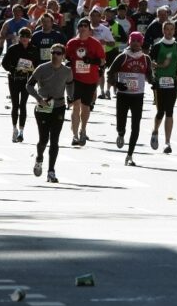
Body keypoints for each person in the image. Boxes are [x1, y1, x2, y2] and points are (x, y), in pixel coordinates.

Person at [27, 43, 74, 183]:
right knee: (43, 139)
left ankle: (51, 171)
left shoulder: (67, 71)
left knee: (55, 140)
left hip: (59, 106)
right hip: (43, 106)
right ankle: (39, 158)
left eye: (58, 53)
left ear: (63, 56)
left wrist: (70, 98)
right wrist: (38, 98)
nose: (55, 55)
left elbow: (70, 85)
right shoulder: (42, 68)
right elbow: (29, 85)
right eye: (53, 52)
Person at [108, 32, 155, 166]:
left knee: (136, 126)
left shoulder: (146, 59)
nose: (135, 43)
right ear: (129, 42)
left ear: (141, 43)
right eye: (133, 40)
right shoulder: (122, 56)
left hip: (138, 97)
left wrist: (154, 82)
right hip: (123, 95)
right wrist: (117, 84)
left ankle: (129, 155)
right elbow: (110, 73)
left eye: (138, 41)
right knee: (121, 123)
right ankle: (121, 133)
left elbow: (149, 75)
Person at [64, 18, 106, 147]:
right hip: (75, 79)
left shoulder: (95, 43)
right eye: (80, 25)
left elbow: (103, 61)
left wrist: (91, 61)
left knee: (85, 107)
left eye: (85, 26)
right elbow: (66, 58)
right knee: (75, 106)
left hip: (90, 79)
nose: (82, 27)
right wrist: (68, 63)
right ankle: (75, 135)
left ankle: (83, 129)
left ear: (89, 29)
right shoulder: (71, 43)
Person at [149, 21, 177, 154]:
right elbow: (150, 63)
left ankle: (167, 142)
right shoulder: (157, 46)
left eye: (171, 29)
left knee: (170, 111)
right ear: (163, 31)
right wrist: (161, 65)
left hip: (172, 82)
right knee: (160, 111)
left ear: (174, 31)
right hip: (159, 83)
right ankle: (155, 130)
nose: (169, 32)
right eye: (166, 29)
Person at [1, 28, 40, 143]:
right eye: (22, 36)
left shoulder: (33, 49)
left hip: (26, 81)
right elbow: (4, 63)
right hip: (14, 80)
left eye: (27, 36)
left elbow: (37, 65)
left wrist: (33, 73)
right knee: (15, 104)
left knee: (23, 104)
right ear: (19, 37)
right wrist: (13, 70)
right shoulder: (13, 48)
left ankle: (21, 131)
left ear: (30, 37)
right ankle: (14, 128)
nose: (24, 38)